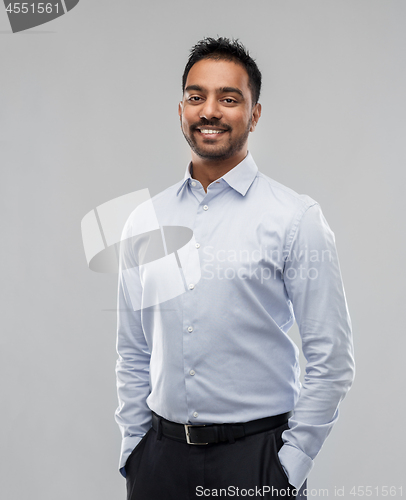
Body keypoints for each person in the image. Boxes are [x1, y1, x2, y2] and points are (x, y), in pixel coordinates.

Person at [115, 37, 355, 500]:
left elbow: (332, 360)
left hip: (258, 461)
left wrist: (291, 465)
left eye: (229, 98)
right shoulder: (145, 220)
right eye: (196, 96)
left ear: (255, 114)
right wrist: (134, 450)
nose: (210, 111)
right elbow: (132, 351)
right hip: (160, 462)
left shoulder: (295, 219)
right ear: (181, 109)